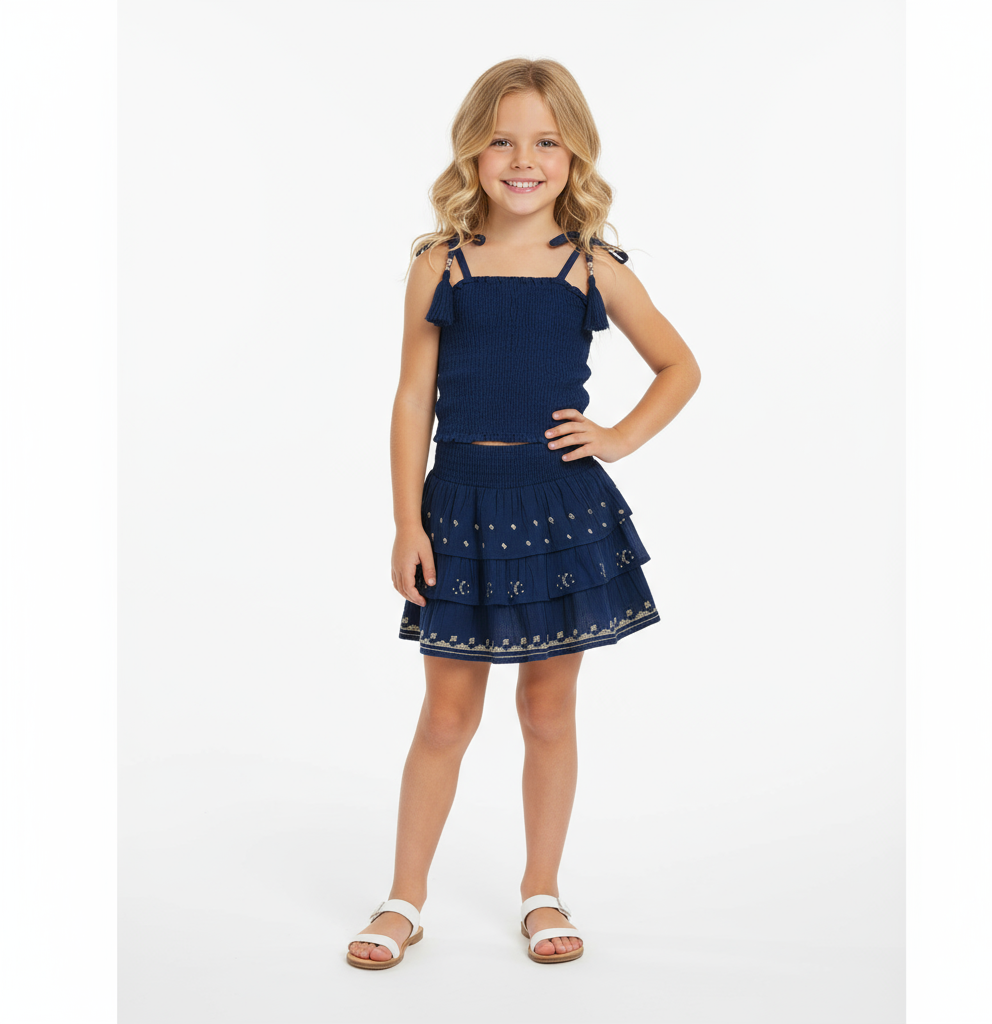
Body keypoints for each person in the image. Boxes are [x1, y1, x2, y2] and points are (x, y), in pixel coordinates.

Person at [346, 57, 701, 969]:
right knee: (445, 716)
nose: (523, 160)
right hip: (460, 505)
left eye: (546, 142)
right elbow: (412, 399)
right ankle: (403, 899)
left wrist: (617, 437)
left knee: (547, 711)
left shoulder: (592, 268)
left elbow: (680, 367)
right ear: (472, 152)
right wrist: (406, 521)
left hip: (557, 510)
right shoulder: (439, 264)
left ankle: (542, 890)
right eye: (502, 141)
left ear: (575, 155)